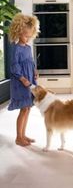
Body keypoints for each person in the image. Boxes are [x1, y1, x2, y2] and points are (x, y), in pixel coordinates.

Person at [8, 13, 39, 146]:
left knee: (28, 108)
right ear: (18, 32)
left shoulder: (28, 48)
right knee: (24, 108)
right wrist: (22, 78)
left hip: (29, 80)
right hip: (21, 82)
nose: (27, 38)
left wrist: (35, 71)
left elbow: (31, 62)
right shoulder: (16, 49)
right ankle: (18, 137)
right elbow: (14, 67)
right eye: (25, 35)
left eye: (29, 36)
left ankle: (23, 134)